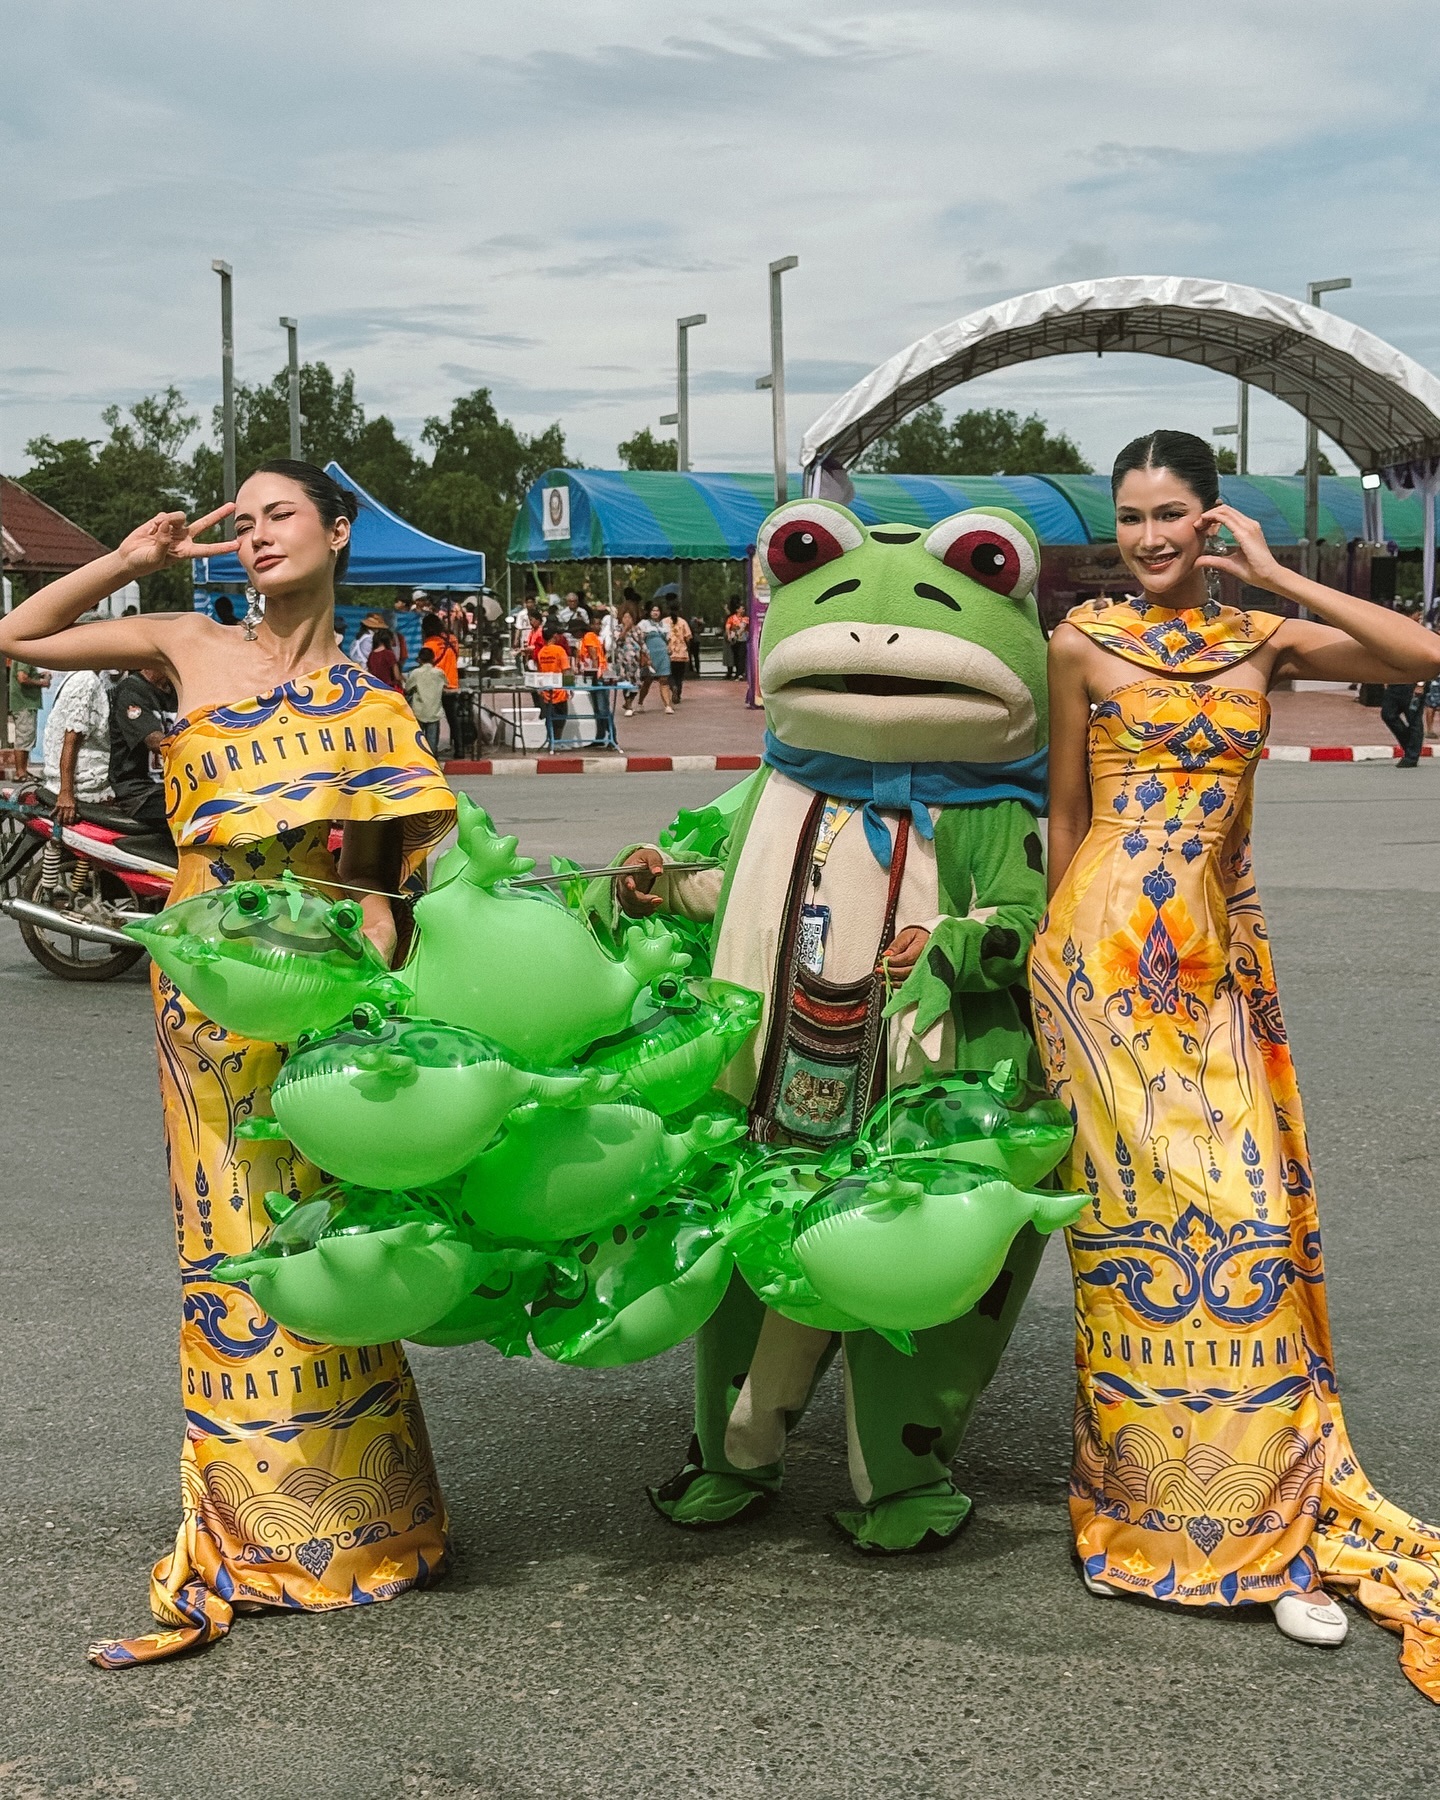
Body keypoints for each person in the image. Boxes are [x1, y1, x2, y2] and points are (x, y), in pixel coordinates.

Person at [0, 458, 455, 1667]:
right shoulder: (187, 641)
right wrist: (131, 561)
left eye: (279, 517)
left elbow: (390, 868)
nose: (254, 538)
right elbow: (19, 631)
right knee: (235, 1237)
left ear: (338, 530)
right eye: (240, 524)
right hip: (207, 994)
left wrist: (381, 931)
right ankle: (249, 1528)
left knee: (336, 1230)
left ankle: (365, 1520)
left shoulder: (373, 693)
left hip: (327, 988)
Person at [1031, 429, 1440, 1689]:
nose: (1148, 538)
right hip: (1099, 969)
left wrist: (1275, 572)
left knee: (1248, 1235)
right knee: (1139, 1252)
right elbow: (1064, 814)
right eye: (1132, 518)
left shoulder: (1261, 638)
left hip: (1209, 973)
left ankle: (1264, 1530)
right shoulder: (1080, 643)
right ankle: (1173, 1529)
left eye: (1172, 515)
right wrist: (1047, 985)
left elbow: (1424, 653)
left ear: (1211, 521)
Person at [614, 496, 1052, 1553]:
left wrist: (952, 943)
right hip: (774, 1078)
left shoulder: (995, 808)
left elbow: (1036, 925)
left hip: (921, 1097)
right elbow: (715, 882)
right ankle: (734, 1450)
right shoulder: (774, 783)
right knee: (753, 1264)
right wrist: (647, 887)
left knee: (918, 1283)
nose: (882, 649)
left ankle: (898, 1476)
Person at [42, 645, 113, 823]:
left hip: (79, 784)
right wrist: (66, 793)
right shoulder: (86, 680)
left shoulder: (85, 676)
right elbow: (71, 741)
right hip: (83, 789)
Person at [107, 663, 175, 833]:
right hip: (141, 792)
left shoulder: (178, 691)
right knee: (197, 816)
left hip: (174, 786)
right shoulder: (132, 691)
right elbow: (154, 741)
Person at [421, 610, 463, 756]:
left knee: (434, 718)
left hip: (435, 685)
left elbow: (425, 662)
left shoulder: (430, 643)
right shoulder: (452, 639)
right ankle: (459, 749)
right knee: (453, 719)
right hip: (452, 683)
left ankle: (433, 749)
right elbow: (455, 658)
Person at [405, 645, 448, 759]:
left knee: (418, 740)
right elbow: (445, 687)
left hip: (419, 710)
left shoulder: (415, 673)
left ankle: (420, 761)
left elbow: (407, 689)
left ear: (420, 659)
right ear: (433, 658)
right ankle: (432, 763)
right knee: (432, 743)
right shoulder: (439, 673)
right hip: (434, 710)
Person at [576, 615, 612, 748]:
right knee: (597, 709)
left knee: (603, 710)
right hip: (593, 677)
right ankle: (600, 737)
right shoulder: (585, 638)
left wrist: (595, 673)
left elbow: (594, 656)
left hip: (599, 676)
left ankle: (612, 736)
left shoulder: (589, 636)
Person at [7, 655, 49, 766]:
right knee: (24, 738)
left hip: (26, 704)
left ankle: (23, 771)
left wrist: (38, 675)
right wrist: (41, 683)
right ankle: (20, 773)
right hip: (24, 703)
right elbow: (22, 677)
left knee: (26, 738)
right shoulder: (23, 658)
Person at [535, 623, 571, 747]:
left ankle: (551, 740)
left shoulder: (541, 652)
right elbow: (566, 670)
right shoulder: (559, 650)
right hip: (559, 690)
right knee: (561, 718)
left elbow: (539, 671)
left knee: (550, 718)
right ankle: (557, 741)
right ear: (554, 636)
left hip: (546, 691)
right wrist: (570, 687)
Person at [611, 598, 645, 718]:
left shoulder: (638, 629)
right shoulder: (617, 629)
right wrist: (625, 629)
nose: (627, 620)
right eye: (625, 617)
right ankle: (629, 704)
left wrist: (647, 657)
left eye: (629, 617)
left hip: (635, 661)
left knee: (637, 683)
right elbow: (617, 641)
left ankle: (629, 701)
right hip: (622, 661)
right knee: (625, 683)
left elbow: (642, 644)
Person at [1381, 677, 1426, 765]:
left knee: (1414, 720)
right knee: (1387, 715)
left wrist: (1420, 685)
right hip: (1394, 684)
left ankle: (1412, 757)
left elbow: (1423, 666)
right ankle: (1411, 745)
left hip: (1412, 685)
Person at [638, 604, 674, 714]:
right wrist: (643, 655)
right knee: (648, 680)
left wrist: (670, 647)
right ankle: (640, 702)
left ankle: (667, 705)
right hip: (650, 655)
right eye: (653, 610)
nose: (655, 612)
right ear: (649, 612)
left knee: (664, 679)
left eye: (657, 610)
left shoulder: (665, 624)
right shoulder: (644, 624)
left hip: (663, 654)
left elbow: (670, 639)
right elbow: (640, 639)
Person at [665, 604, 692, 705]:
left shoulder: (664, 622)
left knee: (669, 674)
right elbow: (688, 637)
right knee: (679, 676)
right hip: (681, 653)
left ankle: (673, 687)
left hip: (669, 652)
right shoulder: (683, 622)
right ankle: (678, 694)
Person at [366, 626, 404, 690]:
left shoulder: (371, 655)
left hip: (375, 688)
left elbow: (369, 673)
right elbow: (397, 676)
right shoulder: (388, 654)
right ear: (388, 640)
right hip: (388, 688)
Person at [725, 603, 750, 682]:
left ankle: (740, 673)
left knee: (741, 656)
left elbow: (743, 627)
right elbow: (727, 627)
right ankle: (737, 672)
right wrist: (729, 635)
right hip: (734, 640)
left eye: (744, 609)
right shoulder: (731, 618)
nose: (743, 610)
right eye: (742, 608)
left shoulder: (745, 618)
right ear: (737, 610)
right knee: (736, 656)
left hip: (742, 639)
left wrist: (738, 633)